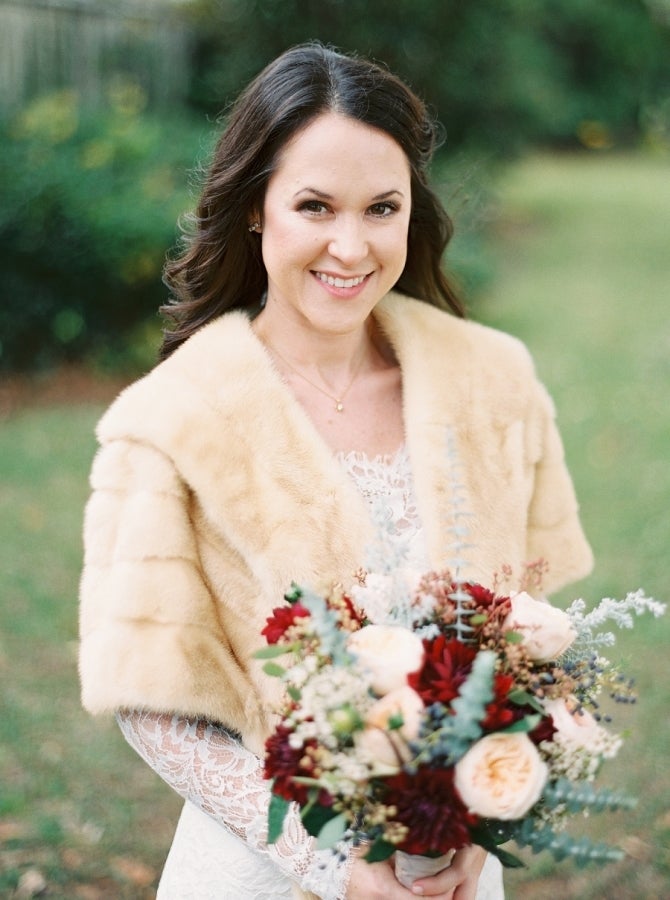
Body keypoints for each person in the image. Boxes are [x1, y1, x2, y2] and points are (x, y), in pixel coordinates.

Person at [78, 42, 593, 900]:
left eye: (381, 208)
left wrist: (477, 821)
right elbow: (153, 704)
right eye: (314, 206)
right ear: (255, 209)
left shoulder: (494, 386)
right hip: (259, 868)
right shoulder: (168, 421)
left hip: (452, 872)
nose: (350, 247)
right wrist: (329, 862)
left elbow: (528, 635)